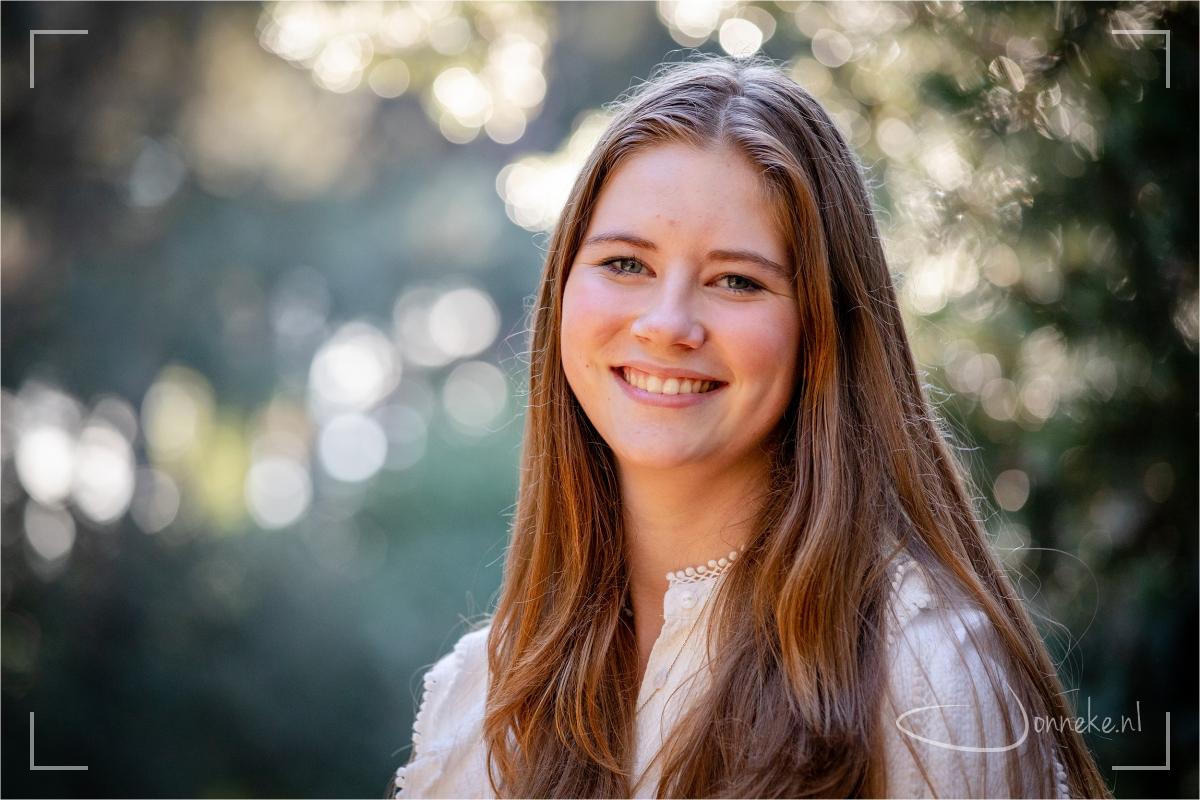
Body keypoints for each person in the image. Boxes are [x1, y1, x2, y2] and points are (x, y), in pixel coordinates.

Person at [390, 54, 1110, 798]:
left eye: (737, 280)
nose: (667, 325)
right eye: (626, 264)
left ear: (823, 330)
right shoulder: (481, 696)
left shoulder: (922, 676)